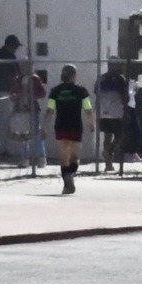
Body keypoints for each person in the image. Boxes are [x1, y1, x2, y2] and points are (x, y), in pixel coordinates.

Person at [46, 64, 93, 194]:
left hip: (60, 126)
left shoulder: (55, 91)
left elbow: (50, 110)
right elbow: (88, 109)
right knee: (75, 156)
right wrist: (91, 123)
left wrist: (44, 127)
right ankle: (70, 176)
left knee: (64, 155)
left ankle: (67, 184)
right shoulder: (81, 91)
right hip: (75, 126)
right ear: (74, 75)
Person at [95, 64, 131, 173]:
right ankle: (109, 152)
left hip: (103, 111)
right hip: (116, 112)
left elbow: (97, 94)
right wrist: (126, 109)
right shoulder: (120, 79)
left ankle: (108, 163)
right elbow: (125, 96)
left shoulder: (101, 78)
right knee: (120, 136)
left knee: (107, 136)